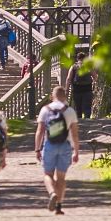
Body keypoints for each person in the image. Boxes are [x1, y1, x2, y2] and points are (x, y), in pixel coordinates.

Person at [34, 85, 81, 214]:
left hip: (49, 145)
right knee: (61, 178)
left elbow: (40, 131)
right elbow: (75, 134)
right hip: (65, 145)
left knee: (47, 174)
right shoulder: (70, 111)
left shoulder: (45, 110)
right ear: (64, 96)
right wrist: (76, 151)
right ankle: (59, 206)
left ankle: (52, 193)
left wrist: (37, 149)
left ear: (52, 96)